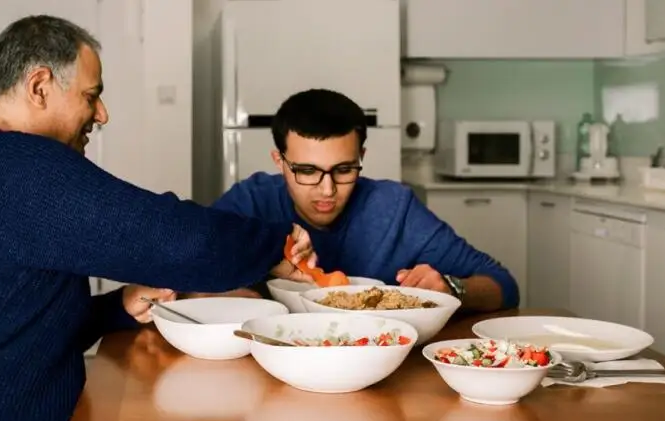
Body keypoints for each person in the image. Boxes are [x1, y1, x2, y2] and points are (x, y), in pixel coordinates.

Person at [0, 15, 317, 421]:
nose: (101, 114)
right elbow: (181, 241)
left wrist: (117, 307)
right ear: (39, 87)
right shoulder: (13, 168)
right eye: (92, 96)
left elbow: (8, 327)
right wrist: (276, 244)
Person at [204, 88, 520, 312]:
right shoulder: (252, 203)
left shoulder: (395, 208)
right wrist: (229, 294)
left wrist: (453, 289)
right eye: (307, 171)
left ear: (361, 157)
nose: (327, 189)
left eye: (343, 169)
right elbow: (189, 271)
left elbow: (504, 286)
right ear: (279, 161)